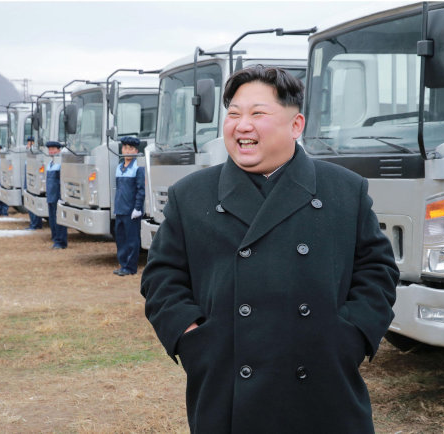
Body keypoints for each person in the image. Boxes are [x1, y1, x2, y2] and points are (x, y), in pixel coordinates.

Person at [141, 66, 399, 433]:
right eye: (233, 114)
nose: (242, 125)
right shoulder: (191, 195)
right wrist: (192, 336)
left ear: (296, 126)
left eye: (258, 114)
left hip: (323, 381)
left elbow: (378, 270)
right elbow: (162, 277)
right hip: (227, 382)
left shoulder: (344, 189)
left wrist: (351, 335)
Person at [113, 136, 145, 276]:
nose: (127, 151)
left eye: (130, 148)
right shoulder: (119, 167)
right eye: (125, 148)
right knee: (120, 239)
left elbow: (140, 190)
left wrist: (137, 208)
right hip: (120, 209)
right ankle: (123, 264)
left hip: (131, 211)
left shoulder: (138, 168)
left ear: (136, 150)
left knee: (132, 240)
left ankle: (130, 267)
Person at [45, 141, 67, 249]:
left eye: (53, 149)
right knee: (52, 219)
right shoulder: (50, 164)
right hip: (51, 196)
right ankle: (55, 238)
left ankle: (61, 241)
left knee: (59, 219)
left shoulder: (60, 163)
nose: (51, 151)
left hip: (58, 195)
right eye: (50, 149)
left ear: (59, 150)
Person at [24, 136, 42, 229]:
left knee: (34, 202)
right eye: (28, 143)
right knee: (29, 202)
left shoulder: (36, 154)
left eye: (31, 143)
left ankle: (35, 224)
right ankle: (33, 223)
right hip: (28, 178)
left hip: (34, 180)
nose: (29, 145)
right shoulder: (28, 154)